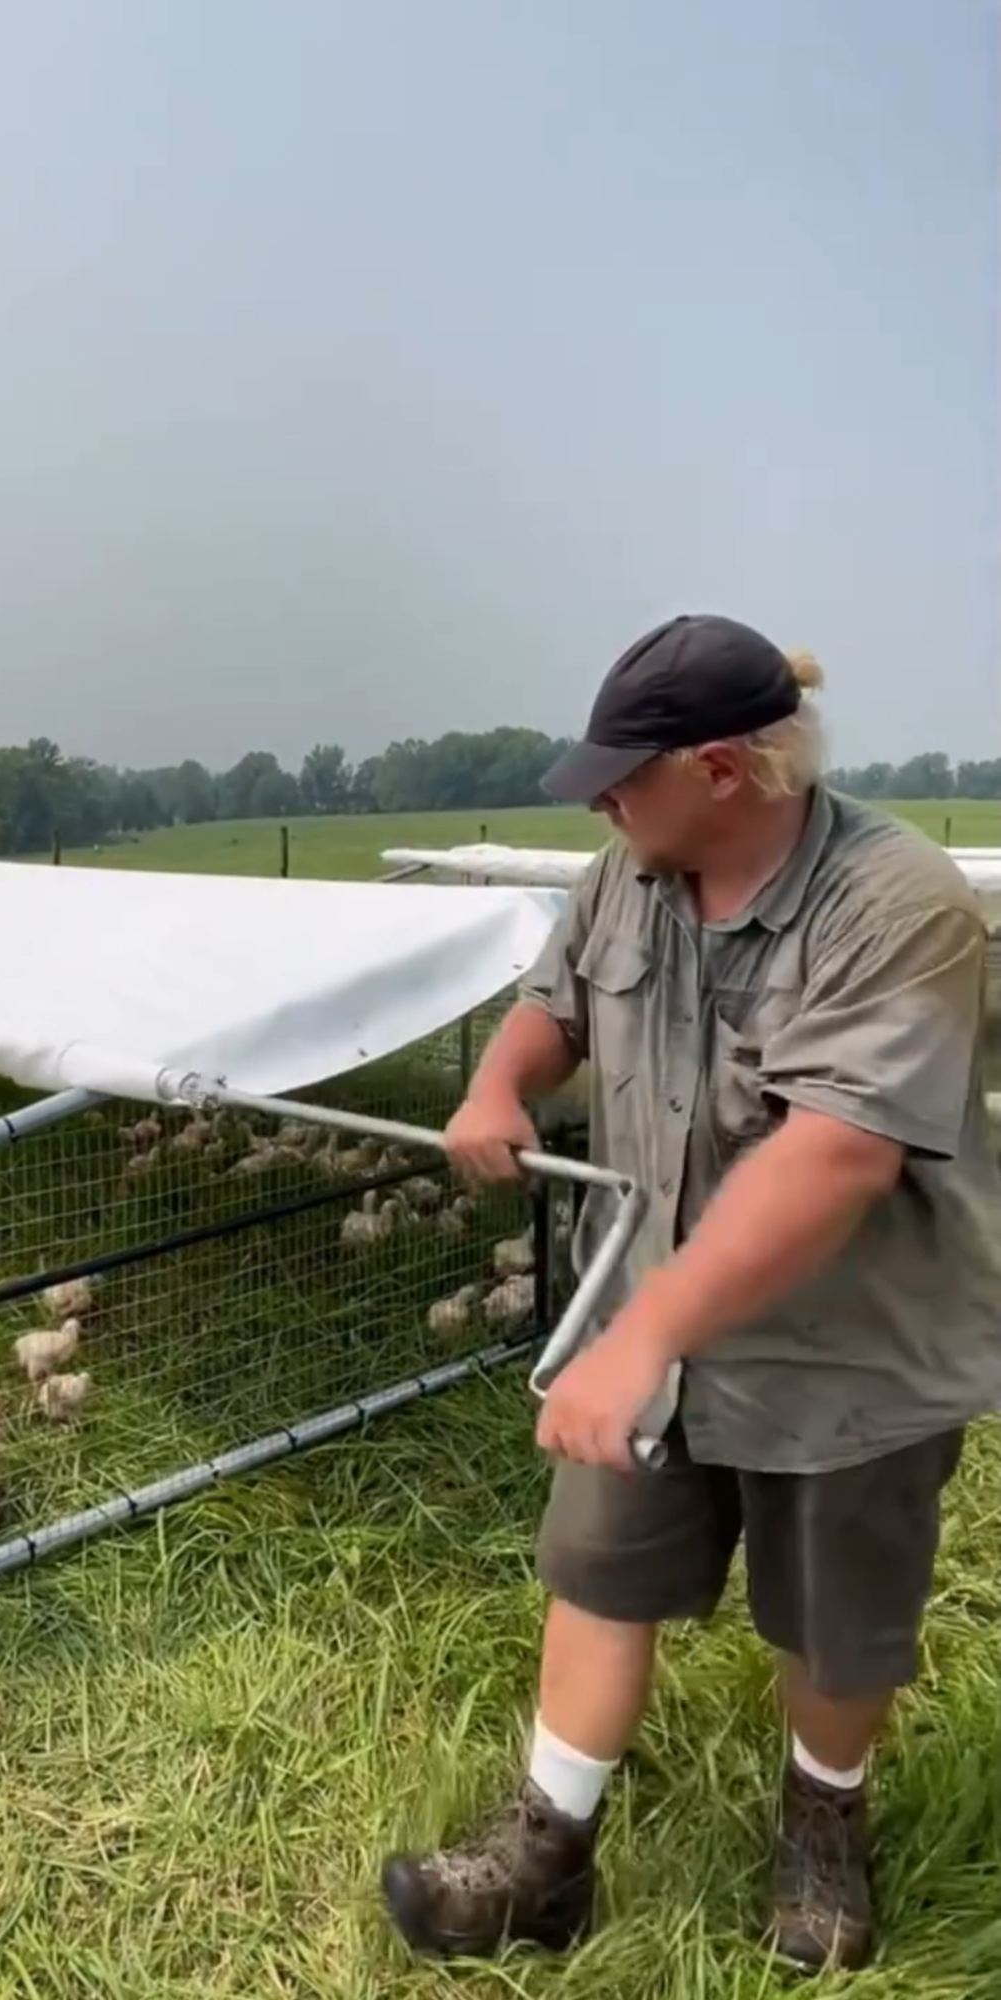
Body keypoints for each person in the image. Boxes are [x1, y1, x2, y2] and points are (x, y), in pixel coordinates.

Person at [380, 613, 1001, 1974]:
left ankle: (822, 1828)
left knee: (837, 1619)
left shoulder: (898, 905)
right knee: (600, 1571)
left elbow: (837, 1156)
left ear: (723, 772)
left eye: (622, 772)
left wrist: (640, 1332)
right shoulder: (631, 872)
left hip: (854, 1350)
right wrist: (498, 1084)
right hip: (653, 1320)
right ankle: (545, 1863)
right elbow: (559, 1006)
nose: (598, 796)